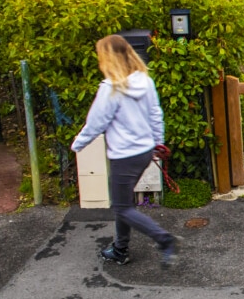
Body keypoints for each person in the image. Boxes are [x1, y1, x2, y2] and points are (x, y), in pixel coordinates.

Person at [71, 34, 179, 267]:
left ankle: (164, 239)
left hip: (123, 156)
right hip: (144, 153)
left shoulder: (111, 88)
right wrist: (158, 143)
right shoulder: (145, 81)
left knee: (122, 207)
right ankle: (120, 249)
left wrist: (77, 145)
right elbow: (155, 115)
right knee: (125, 202)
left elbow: (96, 123)